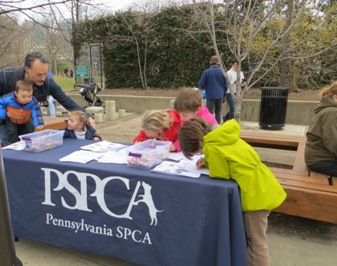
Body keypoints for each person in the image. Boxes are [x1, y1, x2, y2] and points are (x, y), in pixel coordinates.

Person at [178, 118, 286, 266]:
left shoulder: (212, 147)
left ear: (199, 142)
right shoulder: (223, 135)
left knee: (256, 241)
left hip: (254, 197)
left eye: (197, 151)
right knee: (256, 238)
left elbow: (220, 174)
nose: (200, 153)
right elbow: (230, 156)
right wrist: (207, 160)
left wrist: (210, 162)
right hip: (264, 185)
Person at [0, 52, 95, 145]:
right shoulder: (5, 77)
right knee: (6, 149)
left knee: (28, 146)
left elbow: (66, 101)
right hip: (4, 120)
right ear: (27, 69)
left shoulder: (48, 83)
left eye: (45, 74)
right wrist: (7, 113)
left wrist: (86, 116)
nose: (43, 78)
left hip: (27, 120)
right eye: (39, 75)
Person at [305, 81, 337, 176]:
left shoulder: (328, 109)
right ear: (335, 98)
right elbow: (333, 142)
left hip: (321, 158)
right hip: (321, 160)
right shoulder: (332, 112)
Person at [0, 80, 44, 144]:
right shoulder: (8, 98)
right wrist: (3, 114)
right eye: (23, 96)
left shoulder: (33, 101)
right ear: (16, 94)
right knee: (11, 132)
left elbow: (36, 110)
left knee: (30, 129)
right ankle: (13, 145)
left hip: (26, 118)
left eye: (29, 96)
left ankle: (29, 143)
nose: (27, 99)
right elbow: (0, 103)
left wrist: (39, 123)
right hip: (12, 119)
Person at [198, 55, 228, 124]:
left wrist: (202, 91)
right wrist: (224, 97)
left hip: (210, 95)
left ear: (210, 62)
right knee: (218, 112)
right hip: (220, 95)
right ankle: (217, 126)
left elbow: (201, 84)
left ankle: (210, 125)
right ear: (218, 63)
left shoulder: (206, 72)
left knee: (210, 112)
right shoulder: (222, 72)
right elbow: (225, 86)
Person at [223, 57, 245, 122]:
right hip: (229, 93)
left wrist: (243, 82)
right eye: (235, 64)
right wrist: (234, 82)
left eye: (237, 64)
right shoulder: (229, 73)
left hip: (237, 93)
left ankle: (225, 118)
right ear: (232, 65)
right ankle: (230, 122)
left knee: (235, 109)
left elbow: (243, 84)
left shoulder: (240, 73)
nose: (236, 66)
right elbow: (227, 84)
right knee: (232, 108)